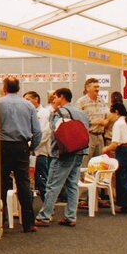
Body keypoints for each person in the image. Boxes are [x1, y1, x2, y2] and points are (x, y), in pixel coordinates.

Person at [35, 87, 89, 227]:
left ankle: (44, 216)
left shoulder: (59, 113)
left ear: (62, 97)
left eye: (55, 97)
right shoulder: (81, 113)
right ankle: (71, 216)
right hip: (80, 150)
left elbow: (55, 130)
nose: (53, 100)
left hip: (63, 153)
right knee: (72, 184)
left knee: (53, 185)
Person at [0, 77, 41, 233]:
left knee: (2, 183)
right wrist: (31, 148)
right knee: (23, 183)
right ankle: (28, 223)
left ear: (4, 88)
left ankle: (0, 221)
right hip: (22, 147)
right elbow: (37, 131)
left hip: (2, 146)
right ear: (18, 88)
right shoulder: (28, 105)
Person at [103, 102, 127, 213]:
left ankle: (124, 204)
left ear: (116, 112)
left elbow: (115, 143)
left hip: (123, 150)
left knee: (122, 177)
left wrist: (106, 148)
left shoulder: (118, 124)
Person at [76, 78, 109, 160]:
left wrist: (106, 121)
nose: (97, 89)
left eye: (98, 87)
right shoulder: (81, 102)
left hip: (100, 136)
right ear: (88, 88)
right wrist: (93, 122)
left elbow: (107, 115)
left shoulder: (101, 101)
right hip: (88, 136)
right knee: (85, 162)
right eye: (95, 87)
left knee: (99, 163)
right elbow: (77, 120)